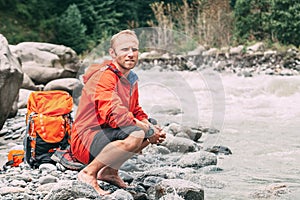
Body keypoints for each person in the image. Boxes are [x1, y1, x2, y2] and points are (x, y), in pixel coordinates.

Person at [70, 30, 166, 196]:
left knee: (151, 124)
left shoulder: (131, 79)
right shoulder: (104, 77)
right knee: (137, 134)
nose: (130, 54)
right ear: (112, 53)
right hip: (86, 138)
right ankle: (88, 173)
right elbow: (116, 117)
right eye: (124, 49)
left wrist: (153, 128)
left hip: (106, 132)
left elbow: (135, 110)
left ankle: (109, 172)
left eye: (134, 49)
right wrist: (148, 130)